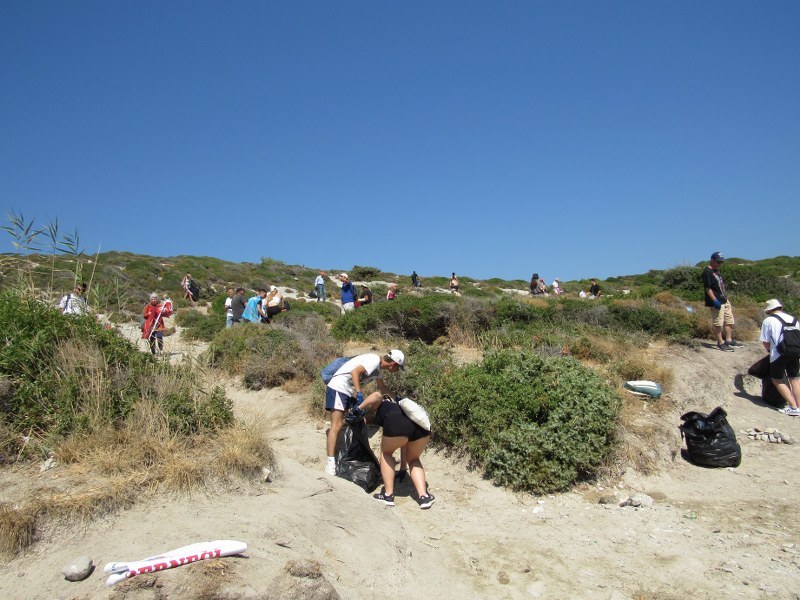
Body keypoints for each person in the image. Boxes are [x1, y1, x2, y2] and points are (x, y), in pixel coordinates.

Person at [323, 350, 405, 475]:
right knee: (337, 424)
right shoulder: (374, 360)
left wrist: (399, 400)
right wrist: (359, 393)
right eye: (398, 368)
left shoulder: (377, 370)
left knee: (355, 421)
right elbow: (355, 372)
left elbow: (383, 389)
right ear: (393, 364)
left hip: (348, 391)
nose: (397, 370)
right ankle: (330, 465)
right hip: (339, 387)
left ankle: (343, 455)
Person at [349, 394, 434, 509]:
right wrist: (403, 468)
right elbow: (404, 442)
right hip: (422, 428)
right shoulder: (401, 407)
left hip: (397, 423)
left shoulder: (383, 404)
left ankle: (388, 495)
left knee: (385, 454)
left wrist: (358, 409)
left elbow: (376, 395)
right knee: (414, 459)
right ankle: (424, 497)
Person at [760, 299, 800, 415]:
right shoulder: (794, 319)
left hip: (778, 354)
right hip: (796, 352)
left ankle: (793, 407)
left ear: (769, 310)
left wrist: (769, 351)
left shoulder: (768, 320)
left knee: (777, 379)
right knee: (795, 379)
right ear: (781, 308)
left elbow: (766, 341)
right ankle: (799, 406)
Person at [702, 252, 741, 352]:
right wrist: (714, 300)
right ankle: (720, 342)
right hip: (716, 301)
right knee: (718, 323)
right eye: (718, 262)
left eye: (721, 262)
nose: (719, 264)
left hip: (724, 299)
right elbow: (708, 288)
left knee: (729, 320)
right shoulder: (707, 272)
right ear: (712, 260)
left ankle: (728, 340)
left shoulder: (717, 271)